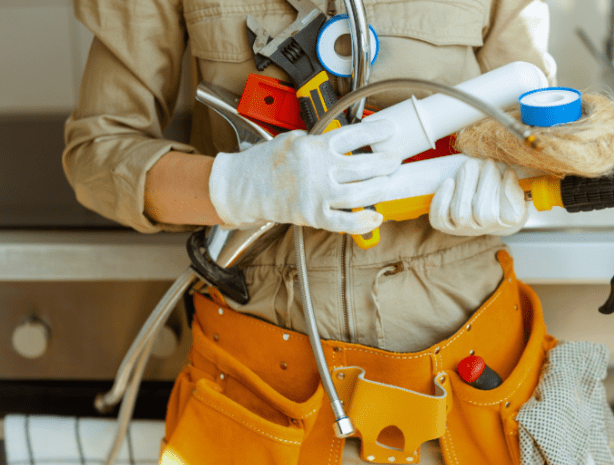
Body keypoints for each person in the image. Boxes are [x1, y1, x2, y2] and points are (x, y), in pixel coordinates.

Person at [64, 0, 558, 463]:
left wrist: (509, 186)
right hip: (254, 392)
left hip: (469, 381)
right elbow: (97, 153)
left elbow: (544, 124)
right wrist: (234, 186)